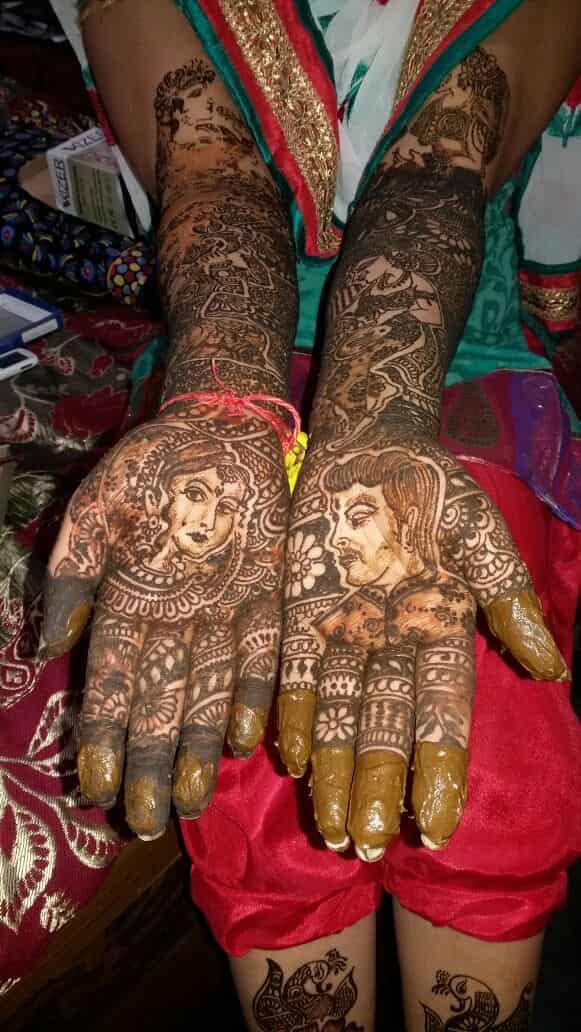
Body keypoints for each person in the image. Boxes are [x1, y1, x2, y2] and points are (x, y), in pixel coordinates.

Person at [43, 1, 581, 1029]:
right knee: (248, 739)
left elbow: (440, 168)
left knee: (480, 750)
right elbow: (208, 171)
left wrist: (373, 423)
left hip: (450, 352)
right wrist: (226, 407)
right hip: (235, 359)